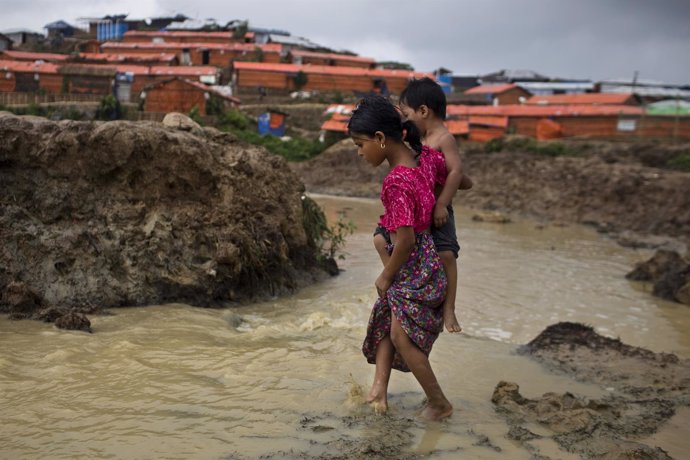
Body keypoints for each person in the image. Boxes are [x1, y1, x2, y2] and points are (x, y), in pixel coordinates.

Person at [348, 95, 453, 421]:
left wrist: (386, 276)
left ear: (380, 138)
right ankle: (378, 393)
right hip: (428, 261)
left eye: (360, 144)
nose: (360, 152)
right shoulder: (425, 160)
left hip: (414, 268)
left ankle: (439, 403)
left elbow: (405, 240)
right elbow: (458, 174)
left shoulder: (396, 181)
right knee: (386, 321)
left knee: (400, 336)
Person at [395, 76, 472, 334]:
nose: (407, 119)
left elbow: (455, 172)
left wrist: (441, 205)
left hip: (439, 209)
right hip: (422, 211)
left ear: (424, 111)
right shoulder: (422, 140)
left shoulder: (443, 138)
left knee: (447, 255)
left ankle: (449, 308)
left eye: (408, 114)